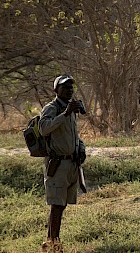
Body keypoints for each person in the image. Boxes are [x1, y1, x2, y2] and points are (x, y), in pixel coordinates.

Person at [38, 75, 87, 253]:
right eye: (65, 87)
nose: (69, 90)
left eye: (71, 87)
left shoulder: (71, 109)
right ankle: (53, 244)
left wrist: (81, 148)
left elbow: (74, 135)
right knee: (56, 205)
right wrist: (65, 114)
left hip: (71, 164)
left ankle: (51, 242)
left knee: (61, 205)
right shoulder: (51, 108)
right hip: (57, 164)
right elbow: (44, 129)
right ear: (56, 90)